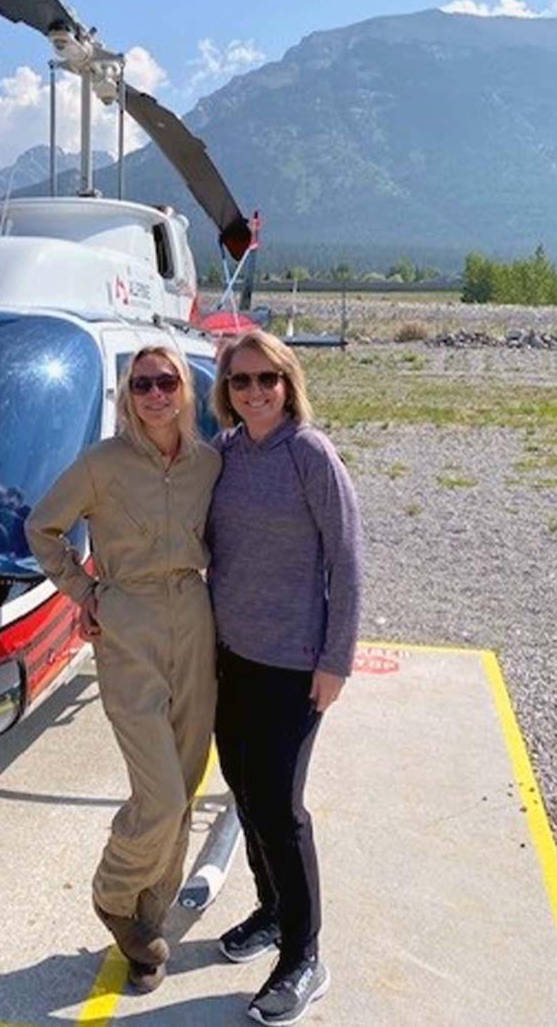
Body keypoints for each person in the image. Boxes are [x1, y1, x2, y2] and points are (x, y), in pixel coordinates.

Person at [26, 344, 220, 994]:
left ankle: (146, 922)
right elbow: (41, 529)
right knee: (159, 793)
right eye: (142, 384)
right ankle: (114, 893)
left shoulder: (208, 465)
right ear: (126, 395)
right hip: (127, 627)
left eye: (167, 382)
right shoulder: (99, 466)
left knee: (185, 787)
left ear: (185, 393)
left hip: (194, 622)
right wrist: (84, 595)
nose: (156, 393)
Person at [206, 329, 362, 1027]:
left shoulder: (309, 454)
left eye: (266, 378)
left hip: (295, 664)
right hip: (230, 656)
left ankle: (303, 957)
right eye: (241, 381)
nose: (255, 392)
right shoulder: (223, 456)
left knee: (278, 805)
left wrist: (335, 661)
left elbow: (347, 562)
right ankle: (271, 910)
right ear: (226, 392)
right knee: (242, 791)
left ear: (286, 380)